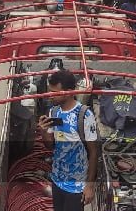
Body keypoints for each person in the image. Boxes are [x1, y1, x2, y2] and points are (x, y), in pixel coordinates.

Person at [38, 69, 99, 211]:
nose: (50, 95)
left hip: (77, 186)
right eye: (50, 91)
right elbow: (50, 146)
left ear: (69, 92)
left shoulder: (84, 115)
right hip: (57, 180)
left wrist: (89, 185)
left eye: (55, 92)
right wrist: (43, 130)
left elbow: (94, 152)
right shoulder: (54, 112)